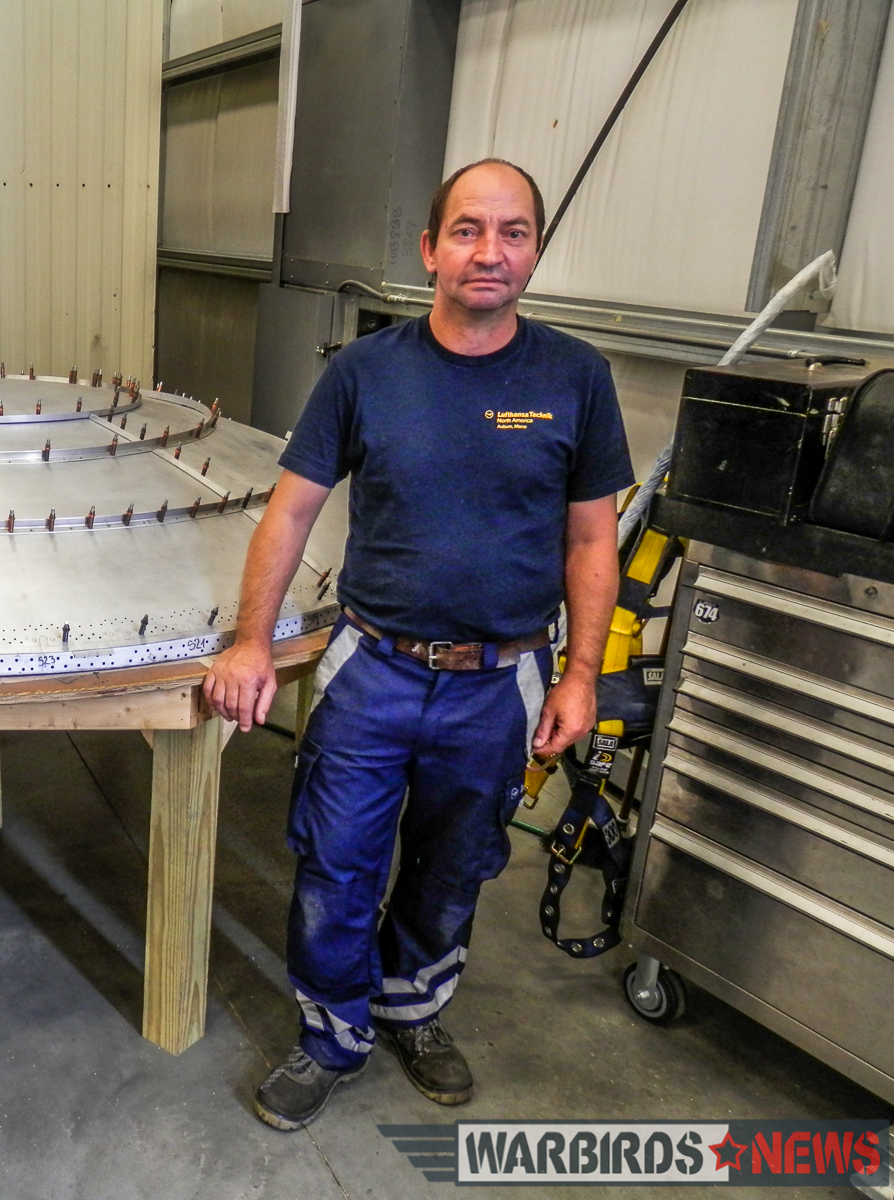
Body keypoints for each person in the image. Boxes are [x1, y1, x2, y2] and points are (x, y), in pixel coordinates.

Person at [204, 158, 634, 1130]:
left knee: (455, 865)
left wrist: (580, 676)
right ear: (430, 248)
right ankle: (330, 1037)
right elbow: (288, 513)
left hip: (502, 679)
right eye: (470, 230)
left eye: (512, 232)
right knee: (335, 862)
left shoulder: (576, 379)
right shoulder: (364, 375)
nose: (490, 251)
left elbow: (591, 539)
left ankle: (413, 1008)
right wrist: (248, 643)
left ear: (532, 251)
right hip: (374, 669)